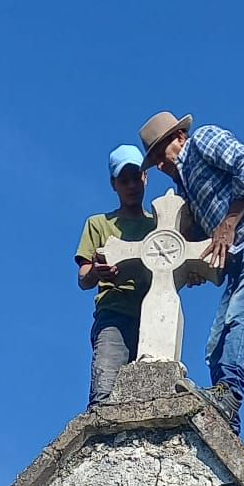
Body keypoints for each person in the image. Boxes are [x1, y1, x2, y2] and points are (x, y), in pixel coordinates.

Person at [138, 109, 244, 432]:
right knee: (215, 345)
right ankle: (226, 420)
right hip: (239, 259)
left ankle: (228, 397)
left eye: (162, 152)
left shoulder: (203, 141)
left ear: (180, 137)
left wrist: (228, 223)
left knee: (241, 316)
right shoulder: (186, 192)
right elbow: (202, 237)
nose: (160, 164)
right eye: (154, 159)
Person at [75, 145, 156, 406]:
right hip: (114, 314)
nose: (132, 185)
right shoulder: (98, 224)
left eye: (136, 177)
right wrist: (97, 273)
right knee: (104, 394)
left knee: (150, 398)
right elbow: (83, 278)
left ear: (146, 177)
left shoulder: (160, 226)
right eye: (124, 180)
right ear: (114, 184)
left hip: (154, 318)